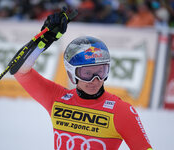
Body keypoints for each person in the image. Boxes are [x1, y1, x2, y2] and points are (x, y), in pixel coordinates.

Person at [10, 10, 153, 150]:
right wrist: (44, 40)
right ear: (72, 73)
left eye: (100, 72)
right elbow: (19, 70)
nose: (95, 80)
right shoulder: (56, 98)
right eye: (87, 73)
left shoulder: (122, 112)